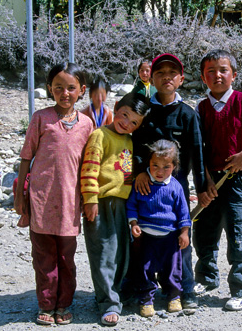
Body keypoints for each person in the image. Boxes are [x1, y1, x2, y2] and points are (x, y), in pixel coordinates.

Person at [14, 62, 94, 326]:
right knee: (44, 256)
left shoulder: (86, 124)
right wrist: (20, 196)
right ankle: (47, 304)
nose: (65, 93)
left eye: (71, 88)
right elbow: (27, 157)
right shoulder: (41, 118)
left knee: (66, 257)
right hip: (40, 198)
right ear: (50, 89)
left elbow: (90, 164)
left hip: (70, 201)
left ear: (82, 90)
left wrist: (89, 198)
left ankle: (64, 304)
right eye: (58, 88)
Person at [130, 53, 209, 311]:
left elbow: (197, 152)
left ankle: (184, 290)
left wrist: (202, 188)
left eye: (172, 73)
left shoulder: (187, 114)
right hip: (145, 188)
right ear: (151, 78)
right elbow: (136, 147)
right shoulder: (145, 111)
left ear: (181, 79)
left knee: (181, 239)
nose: (166, 77)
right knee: (146, 239)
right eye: (160, 73)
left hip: (178, 189)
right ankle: (142, 290)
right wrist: (140, 171)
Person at [193, 49, 242, 311]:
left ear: (233, 75)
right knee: (204, 231)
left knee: (240, 232)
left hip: (236, 181)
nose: (217, 75)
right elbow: (198, 146)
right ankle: (206, 278)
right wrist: (204, 180)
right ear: (203, 77)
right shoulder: (201, 108)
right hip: (209, 181)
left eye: (223, 70)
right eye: (210, 71)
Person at [81, 92, 150, 327]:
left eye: (134, 123)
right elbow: (89, 168)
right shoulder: (100, 136)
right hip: (101, 203)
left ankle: (116, 293)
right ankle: (107, 302)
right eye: (124, 116)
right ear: (116, 108)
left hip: (123, 204)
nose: (126, 124)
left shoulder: (129, 140)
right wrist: (90, 199)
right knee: (103, 253)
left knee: (121, 253)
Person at [126, 139, 191, 317]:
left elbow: (183, 213)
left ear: (174, 166)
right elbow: (132, 205)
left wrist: (184, 233)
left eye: (166, 167)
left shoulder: (175, 187)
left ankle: (173, 297)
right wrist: (134, 224)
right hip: (145, 236)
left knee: (172, 269)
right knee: (145, 268)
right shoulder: (141, 184)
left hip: (170, 237)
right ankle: (146, 299)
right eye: (155, 165)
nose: (159, 171)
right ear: (149, 162)